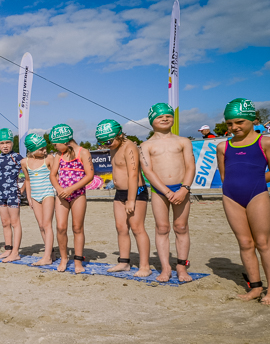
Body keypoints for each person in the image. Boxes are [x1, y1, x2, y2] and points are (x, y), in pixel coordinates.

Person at [217, 98, 270, 305]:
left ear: (253, 120)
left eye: (239, 122)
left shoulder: (266, 142)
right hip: (231, 197)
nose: (234, 127)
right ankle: (255, 287)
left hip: (257, 194)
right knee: (245, 243)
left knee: (263, 242)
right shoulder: (223, 147)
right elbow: (225, 177)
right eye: (229, 123)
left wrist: (254, 182)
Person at [140, 102, 196, 283]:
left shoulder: (183, 141)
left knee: (181, 227)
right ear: (152, 121)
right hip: (159, 190)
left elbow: (190, 166)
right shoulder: (146, 145)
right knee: (162, 228)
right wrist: (165, 191)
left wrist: (184, 188)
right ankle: (166, 267)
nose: (164, 118)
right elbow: (148, 171)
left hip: (181, 188)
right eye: (160, 116)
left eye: (168, 116)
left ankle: (181, 266)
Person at [97, 119, 151, 277]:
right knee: (121, 228)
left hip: (136, 191)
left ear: (119, 134)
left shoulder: (129, 147)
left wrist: (131, 200)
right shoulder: (114, 147)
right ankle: (124, 262)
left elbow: (133, 175)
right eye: (102, 142)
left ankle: (145, 266)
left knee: (137, 228)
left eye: (108, 141)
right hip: (120, 192)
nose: (106, 145)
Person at [48, 124, 94, 273]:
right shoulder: (59, 155)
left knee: (77, 227)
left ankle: (78, 261)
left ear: (65, 141)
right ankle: (64, 258)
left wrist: (71, 189)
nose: (55, 147)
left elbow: (89, 175)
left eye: (56, 144)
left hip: (77, 194)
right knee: (61, 227)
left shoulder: (83, 152)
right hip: (62, 195)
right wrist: (59, 189)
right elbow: (52, 175)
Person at [20, 133, 56, 266]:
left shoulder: (49, 159)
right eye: (41, 149)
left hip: (47, 193)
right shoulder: (25, 162)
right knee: (41, 226)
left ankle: (46, 257)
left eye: (45, 148)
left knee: (47, 224)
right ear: (32, 150)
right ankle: (51, 253)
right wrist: (29, 197)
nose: (45, 151)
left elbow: (55, 176)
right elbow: (28, 180)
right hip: (35, 195)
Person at [0, 128, 23, 262]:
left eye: (8, 142)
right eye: (2, 143)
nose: (5, 146)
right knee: (5, 222)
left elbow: (28, 174)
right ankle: (8, 250)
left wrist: (22, 189)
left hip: (13, 193)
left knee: (15, 222)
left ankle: (15, 252)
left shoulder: (17, 157)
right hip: (0, 194)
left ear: (12, 143)